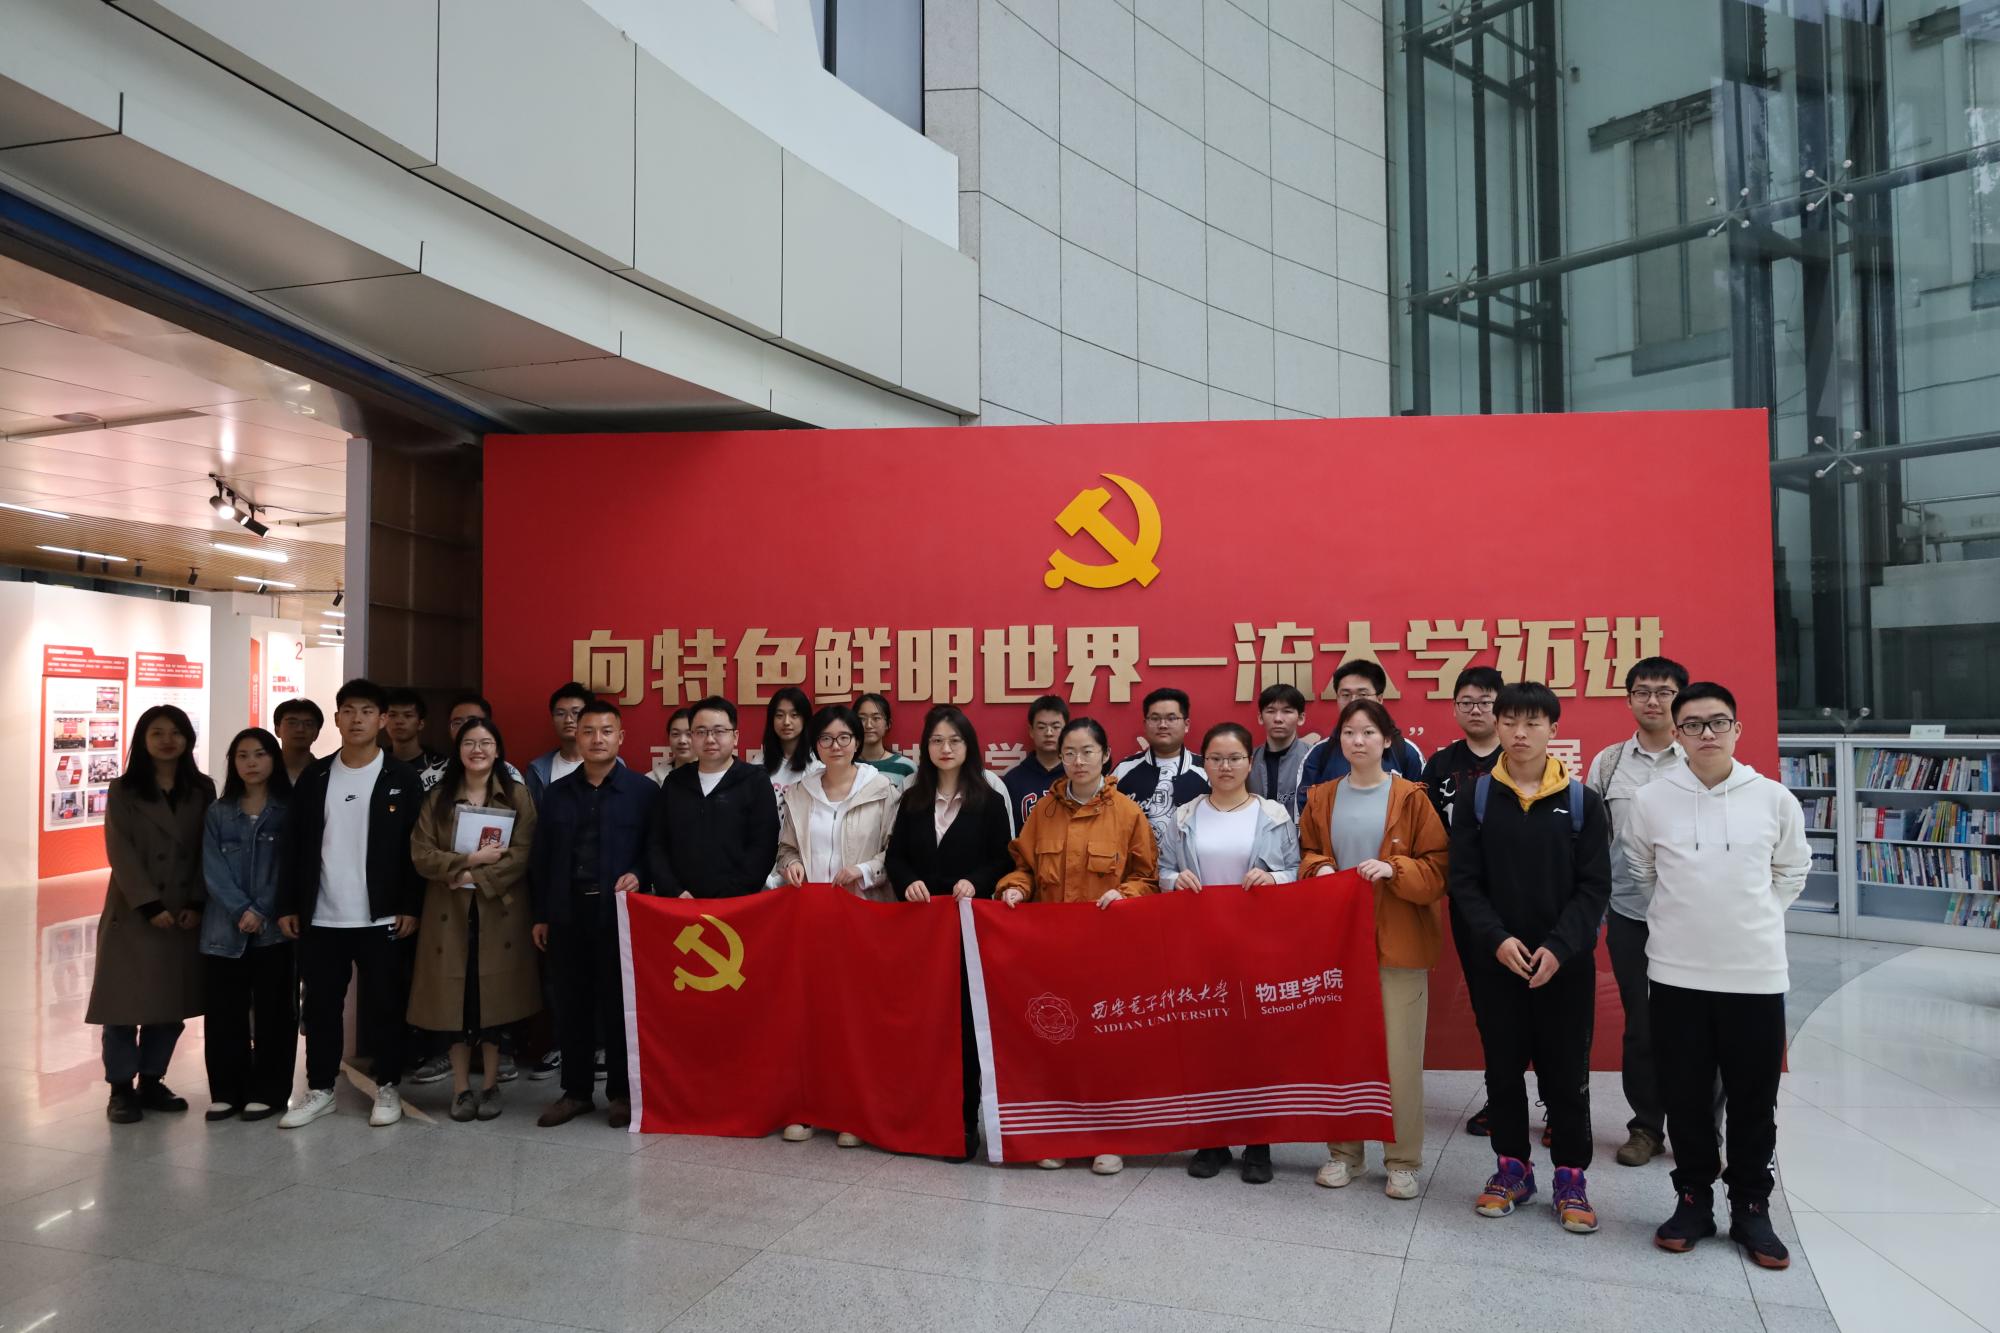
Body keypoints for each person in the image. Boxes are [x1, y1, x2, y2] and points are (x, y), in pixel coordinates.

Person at [1633, 682, 1809, 1270]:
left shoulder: (1774, 799)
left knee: (1754, 1099)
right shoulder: (1652, 800)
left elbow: (1792, 871)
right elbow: (1642, 870)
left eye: (1717, 722)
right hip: (1676, 975)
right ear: (1676, 734)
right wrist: (1687, 922)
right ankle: (1693, 1199)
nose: (1706, 733)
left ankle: (1751, 1206)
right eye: (1693, 724)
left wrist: (1753, 920)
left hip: (1755, 975)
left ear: (1737, 729)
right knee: (1684, 1095)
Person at [1449, 682, 1610, 1233]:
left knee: (1567, 1074)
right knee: (1502, 1069)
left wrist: (1560, 947)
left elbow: (1594, 887)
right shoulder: (1475, 798)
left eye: (1532, 723)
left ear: (1553, 730)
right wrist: (1496, 939)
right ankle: (1512, 1169)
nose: (1520, 733)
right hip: (1497, 961)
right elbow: (1464, 882)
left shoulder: (1584, 802)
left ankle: (1571, 1176)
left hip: (1565, 964)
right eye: (1510, 721)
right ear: (1497, 726)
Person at [1298, 701, 1449, 1199]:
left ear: (1387, 740)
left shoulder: (1411, 798)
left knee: (1399, 1058)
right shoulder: (1322, 796)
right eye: (1348, 732)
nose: (1357, 741)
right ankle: (1345, 1154)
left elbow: (1438, 871)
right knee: (1342, 1052)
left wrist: (1394, 869)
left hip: (1399, 943)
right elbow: (1305, 852)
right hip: (1339, 945)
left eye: (1368, 732)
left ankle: (1402, 1161)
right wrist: (1318, 867)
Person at [998, 717, 1158, 1176]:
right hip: (1051, 953)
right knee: (1056, 1043)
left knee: (1106, 1047)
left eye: (1087, 751)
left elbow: (1147, 878)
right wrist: (1015, 888)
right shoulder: (1043, 813)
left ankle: (1109, 1138)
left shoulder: (1127, 813)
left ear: (1105, 755)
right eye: (1069, 752)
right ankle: (1058, 1135)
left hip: (1108, 953)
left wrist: (1124, 895)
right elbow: (1024, 867)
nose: (1078, 760)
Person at [276, 679, 424, 1129]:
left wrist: (410, 905)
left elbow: (416, 849)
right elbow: (294, 846)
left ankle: (388, 1086)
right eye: (348, 711)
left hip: (382, 915)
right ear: (337, 719)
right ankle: (321, 1088)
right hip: (322, 915)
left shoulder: (402, 778)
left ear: (382, 720)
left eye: (367, 711)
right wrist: (288, 904)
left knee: (385, 1005)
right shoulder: (316, 777)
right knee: (321, 1006)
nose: (357, 719)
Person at [1160, 722, 1301, 1185]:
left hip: (1257, 948)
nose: (1225, 767)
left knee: (1257, 1045)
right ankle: (1212, 1139)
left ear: (1248, 762)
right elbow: (1163, 870)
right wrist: (1173, 881)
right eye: (1216, 758)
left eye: (1235, 758)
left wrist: (1273, 878)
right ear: (1204, 763)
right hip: (1200, 948)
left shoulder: (1273, 815)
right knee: (1207, 1045)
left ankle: (1258, 1142)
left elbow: (1295, 870)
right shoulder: (1184, 816)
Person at [887, 706, 1014, 1162]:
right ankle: (922, 1117)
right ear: (926, 747)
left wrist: (976, 882)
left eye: (954, 740)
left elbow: (1004, 859)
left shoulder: (989, 799)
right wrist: (907, 883)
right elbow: (896, 857)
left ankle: (963, 1123)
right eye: (937, 740)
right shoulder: (912, 799)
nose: (945, 748)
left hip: (966, 931)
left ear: (969, 746)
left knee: (962, 1027)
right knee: (922, 1023)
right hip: (920, 930)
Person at [771, 704, 900, 1148]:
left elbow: (894, 851)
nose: (836, 746)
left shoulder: (882, 789)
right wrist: (790, 865)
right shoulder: (800, 791)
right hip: (811, 921)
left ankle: (852, 1112)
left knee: (857, 1019)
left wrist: (863, 871)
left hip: (861, 916)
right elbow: (786, 848)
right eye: (826, 739)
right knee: (812, 1017)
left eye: (844, 737)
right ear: (815, 745)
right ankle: (809, 1108)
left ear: (857, 741)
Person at [529, 700, 655, 1129]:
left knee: (619, 1005)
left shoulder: (642, 792)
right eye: (588, 731)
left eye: (606, 731)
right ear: (576, 736)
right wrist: (542, 914)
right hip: (568, 912)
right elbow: (542, 858)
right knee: (571, 1004)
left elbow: (655, 849)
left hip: (619, 914)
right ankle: (576, 1092)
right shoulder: (557, 794)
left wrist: (640, 873)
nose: (597, 739)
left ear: (621, 737)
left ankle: (621, 1093)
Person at [408, 717, 540, 1122]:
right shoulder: (438, 797)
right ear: (458, 749)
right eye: (469, 743)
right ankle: (461, 1088)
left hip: (498, 912)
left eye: (485, 743)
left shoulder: (516, 795)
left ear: (498, 751)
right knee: (456, 1003)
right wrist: (468, 860)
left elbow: (523, 851)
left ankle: (490, 1085)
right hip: (448, 915)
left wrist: (473, 878)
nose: (477, 750)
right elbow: (421, 853)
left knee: (491, 1001)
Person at [1587, 655, 1690, 1168]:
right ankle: (1646, 1127)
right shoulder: (1609, 764)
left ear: (1680, 699)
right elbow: (1592, 840)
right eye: (1643, 691)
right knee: (1642, 1026)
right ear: (1628, 699)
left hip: (1696, 917)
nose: (1653, 701)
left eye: (1664, 692)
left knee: (1700, 1026)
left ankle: (1700, 1130)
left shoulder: (1699, 756)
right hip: (1630, 914)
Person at [88, 705, 213, 1124]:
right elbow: (119, 850)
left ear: (188, 739)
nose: (167, 740)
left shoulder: (202, 788)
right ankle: (121, 1088)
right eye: (157, 732)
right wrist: (149, 904)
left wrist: (196, 901)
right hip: (133, 911)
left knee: (168, 1005)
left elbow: (209, 849)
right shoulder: (124, 789)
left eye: (176, 732)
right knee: (122, 1007)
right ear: (143, 739)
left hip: (182, 914)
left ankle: (152, 1079)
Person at [1417, 665, 1505, 1138]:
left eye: (1486, 702)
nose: (1476, 710)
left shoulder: (1520, 756)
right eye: (1467, 702)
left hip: (1525, 899)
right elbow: (1427, 832)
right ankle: (1501, 1098)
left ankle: (1556, 1104)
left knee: (1539, 1005)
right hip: (1468, 900)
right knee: (1488, 1004)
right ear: (1454, 709)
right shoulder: (1441, 765)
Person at [198, 727, 295, 1122]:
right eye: (242, 756)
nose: (251, 763)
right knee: (225, 1013)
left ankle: (269, 1091)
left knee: (274, 1012)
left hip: (273, 930)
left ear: (273, 759)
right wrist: (241, 909)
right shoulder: (218, 812)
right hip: (224, 929)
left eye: (259, 754)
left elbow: (289, 867)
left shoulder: (288, 810)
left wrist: (262, 909)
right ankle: (226, 1091)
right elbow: (212, 868)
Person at [647, 696, 782, 900]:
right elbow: (657, 843)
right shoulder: (675, 782)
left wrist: (732, 895)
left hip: (737, 902)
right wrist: (674, 890)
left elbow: (764, 846)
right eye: (701, 732)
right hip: (680, 903)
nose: (710, 739)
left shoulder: (755, 781)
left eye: (719, 731)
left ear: (735, 737)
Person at [1298, 662, 1425, 793]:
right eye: (1346, 695)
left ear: (1379, 699)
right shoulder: (1319, 754)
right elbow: (1305, 803)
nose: (1353, 701)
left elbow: (1420, 801)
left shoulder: (1406, 752)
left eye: (1362, 694)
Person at [1113, 687, 1208, 846]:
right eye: (1155, 718)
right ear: (1145, 724)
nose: (1163, 725)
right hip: (1134, 860)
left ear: (1186, 724)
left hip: (1191, 861)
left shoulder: (1207, 770)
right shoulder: (1123, 770)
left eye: (1171, 718)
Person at [1246, 683, 1313, 818]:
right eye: (1270, 711)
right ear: (1260, 718)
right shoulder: (1247, 760)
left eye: (1287, 711)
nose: (1278, 719)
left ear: (1301, 718)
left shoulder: (1314, 758)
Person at [1003, 694, 1068, 830]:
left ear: (1066, 731)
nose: (1049, 733)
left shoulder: (1077, 775)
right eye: (1041, 727)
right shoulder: (1013, 780)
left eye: (1056, 727)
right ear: (1031, 731)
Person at [525, 681, 592, 805]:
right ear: (552, 720)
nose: (568, 720)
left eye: (576, 713)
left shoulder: (612, 763)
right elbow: (534, 814)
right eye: (560, 714)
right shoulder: (538, 769)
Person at [760, 686, 819, 804]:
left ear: (805, 719)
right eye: (779, 715)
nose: (786, 722)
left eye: (794, 715)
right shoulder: (758, 763)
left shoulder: (818, 765)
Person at [382, 687, 446, 790]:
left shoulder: (440, 765)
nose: (399, 721)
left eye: (408, 715)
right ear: (383, 721)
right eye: (392, 715)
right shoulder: (376, 763)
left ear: (421, 724)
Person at [854, 693, 916, 788]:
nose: (868, 725)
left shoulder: (906, 767)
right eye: (862, 719)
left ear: (888, 724)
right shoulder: (846, 764)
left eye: (876, 718)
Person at [273, 697, 324, 787]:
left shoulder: (326, 773)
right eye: (292, 723)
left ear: (316, 734)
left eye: (308, 724)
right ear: (277, 730)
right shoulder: (264, 771)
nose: (300, 729)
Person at [651, 706, 695, 783]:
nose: (682, 741)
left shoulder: (716, 777)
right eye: (675, 734)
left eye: (689, 734)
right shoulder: (652, 780)